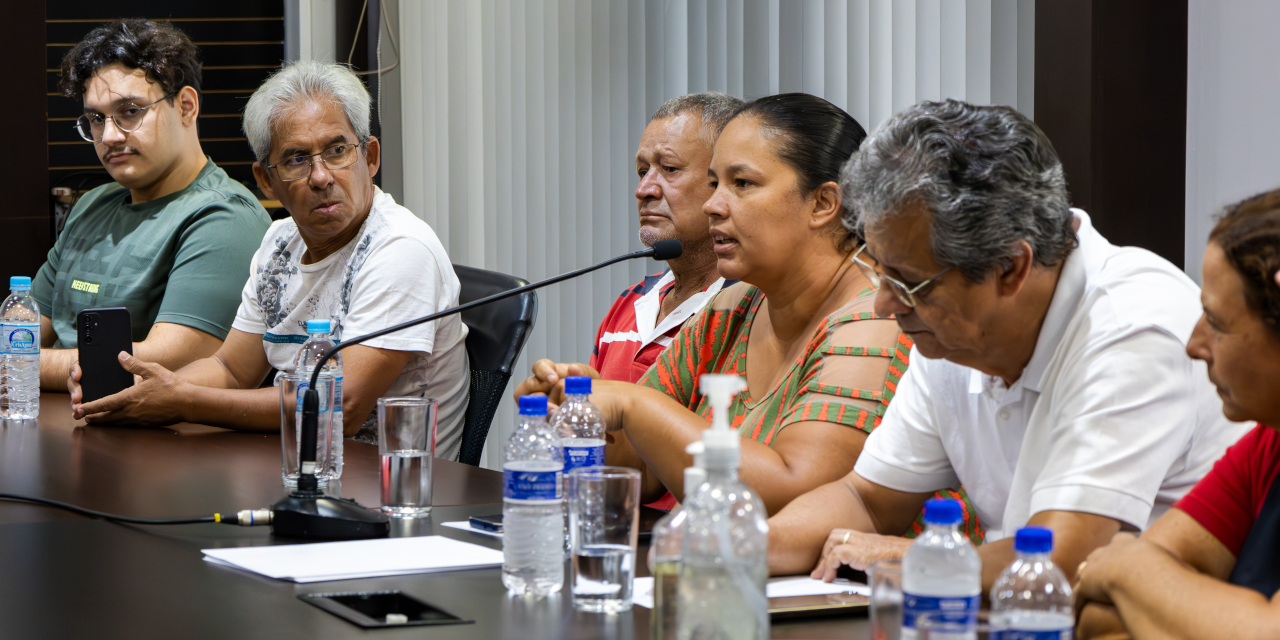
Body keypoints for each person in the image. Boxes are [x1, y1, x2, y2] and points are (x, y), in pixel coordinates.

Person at [768, 99, 1248, 590]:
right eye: (879, 273)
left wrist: (918, 558)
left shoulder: (1132, 327)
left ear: (1011, 268)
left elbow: (1063, 557)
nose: (883, 307)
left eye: (908, 284)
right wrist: (743, 548)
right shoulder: (952, 332)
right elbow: (867, 499)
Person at [522, 94, 976, 528]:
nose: (713, 205)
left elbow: (794, 493)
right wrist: (576, 412)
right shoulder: (733, 306)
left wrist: (633, 404)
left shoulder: (876, 317)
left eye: (742, 184)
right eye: (715, 183)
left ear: (823, 203)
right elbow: (639, 466)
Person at [68, 61, 471, 460]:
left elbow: (340, 407)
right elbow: (231, 369)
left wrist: (184, 401)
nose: (320, 176)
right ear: (266, 180)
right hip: (294, 466)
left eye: (336, 151)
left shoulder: (401, 248)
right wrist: (147, 390)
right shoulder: (281, 241)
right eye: (296, 159)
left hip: (395, 495)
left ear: (370, 157)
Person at [1075, 189, 1280, 639]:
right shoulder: (1266, 446)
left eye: (1217, 322)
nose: (1193, 344)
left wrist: (1127, 562)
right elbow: (1094, 612)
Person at [38, 18, 270, 392]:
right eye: (97, 119)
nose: (110, 135)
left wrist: (17, 364)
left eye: (130, 111)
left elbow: (165, 361)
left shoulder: (224, 217)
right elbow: (22, 329)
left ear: (186, 107)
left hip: (160, 444)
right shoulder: (92, 206)